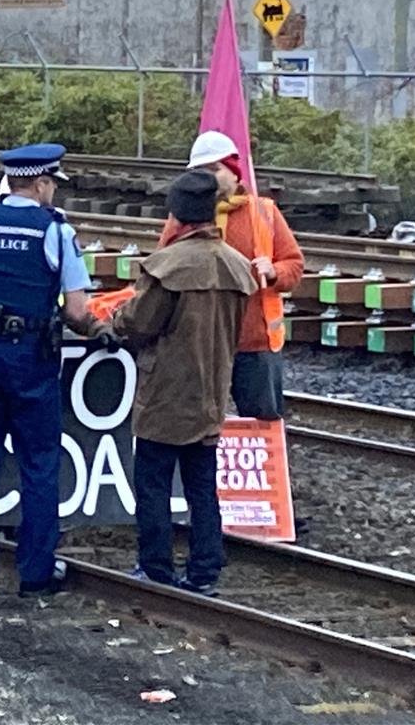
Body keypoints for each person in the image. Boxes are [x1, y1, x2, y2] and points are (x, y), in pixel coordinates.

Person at [0, 143, 101, 598]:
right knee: (39, 464)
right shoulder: (55, 231)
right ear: (43, 183)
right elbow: (76, 309)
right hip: (30, 359)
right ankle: (35, 573)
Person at [106, 170, 258, 596]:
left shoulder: (166, 268)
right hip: (211, 391)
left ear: (177, 216)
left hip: (165, 394)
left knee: (153, 484)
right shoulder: (236, 267)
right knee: (202, 487)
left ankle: (156, 567)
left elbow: (138, 323)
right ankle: (205, 569)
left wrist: (112, 320)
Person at [158, 131, 304, 420]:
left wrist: (275, 271)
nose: (209, 178)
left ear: (234, 171)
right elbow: (160, 265)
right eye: (202, 172)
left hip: (255, 344)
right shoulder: (183, 215)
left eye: (215, 169)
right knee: (194, 426)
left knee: (264, 424)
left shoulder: (265, 212)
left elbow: (295, 265)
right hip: (200, 344)